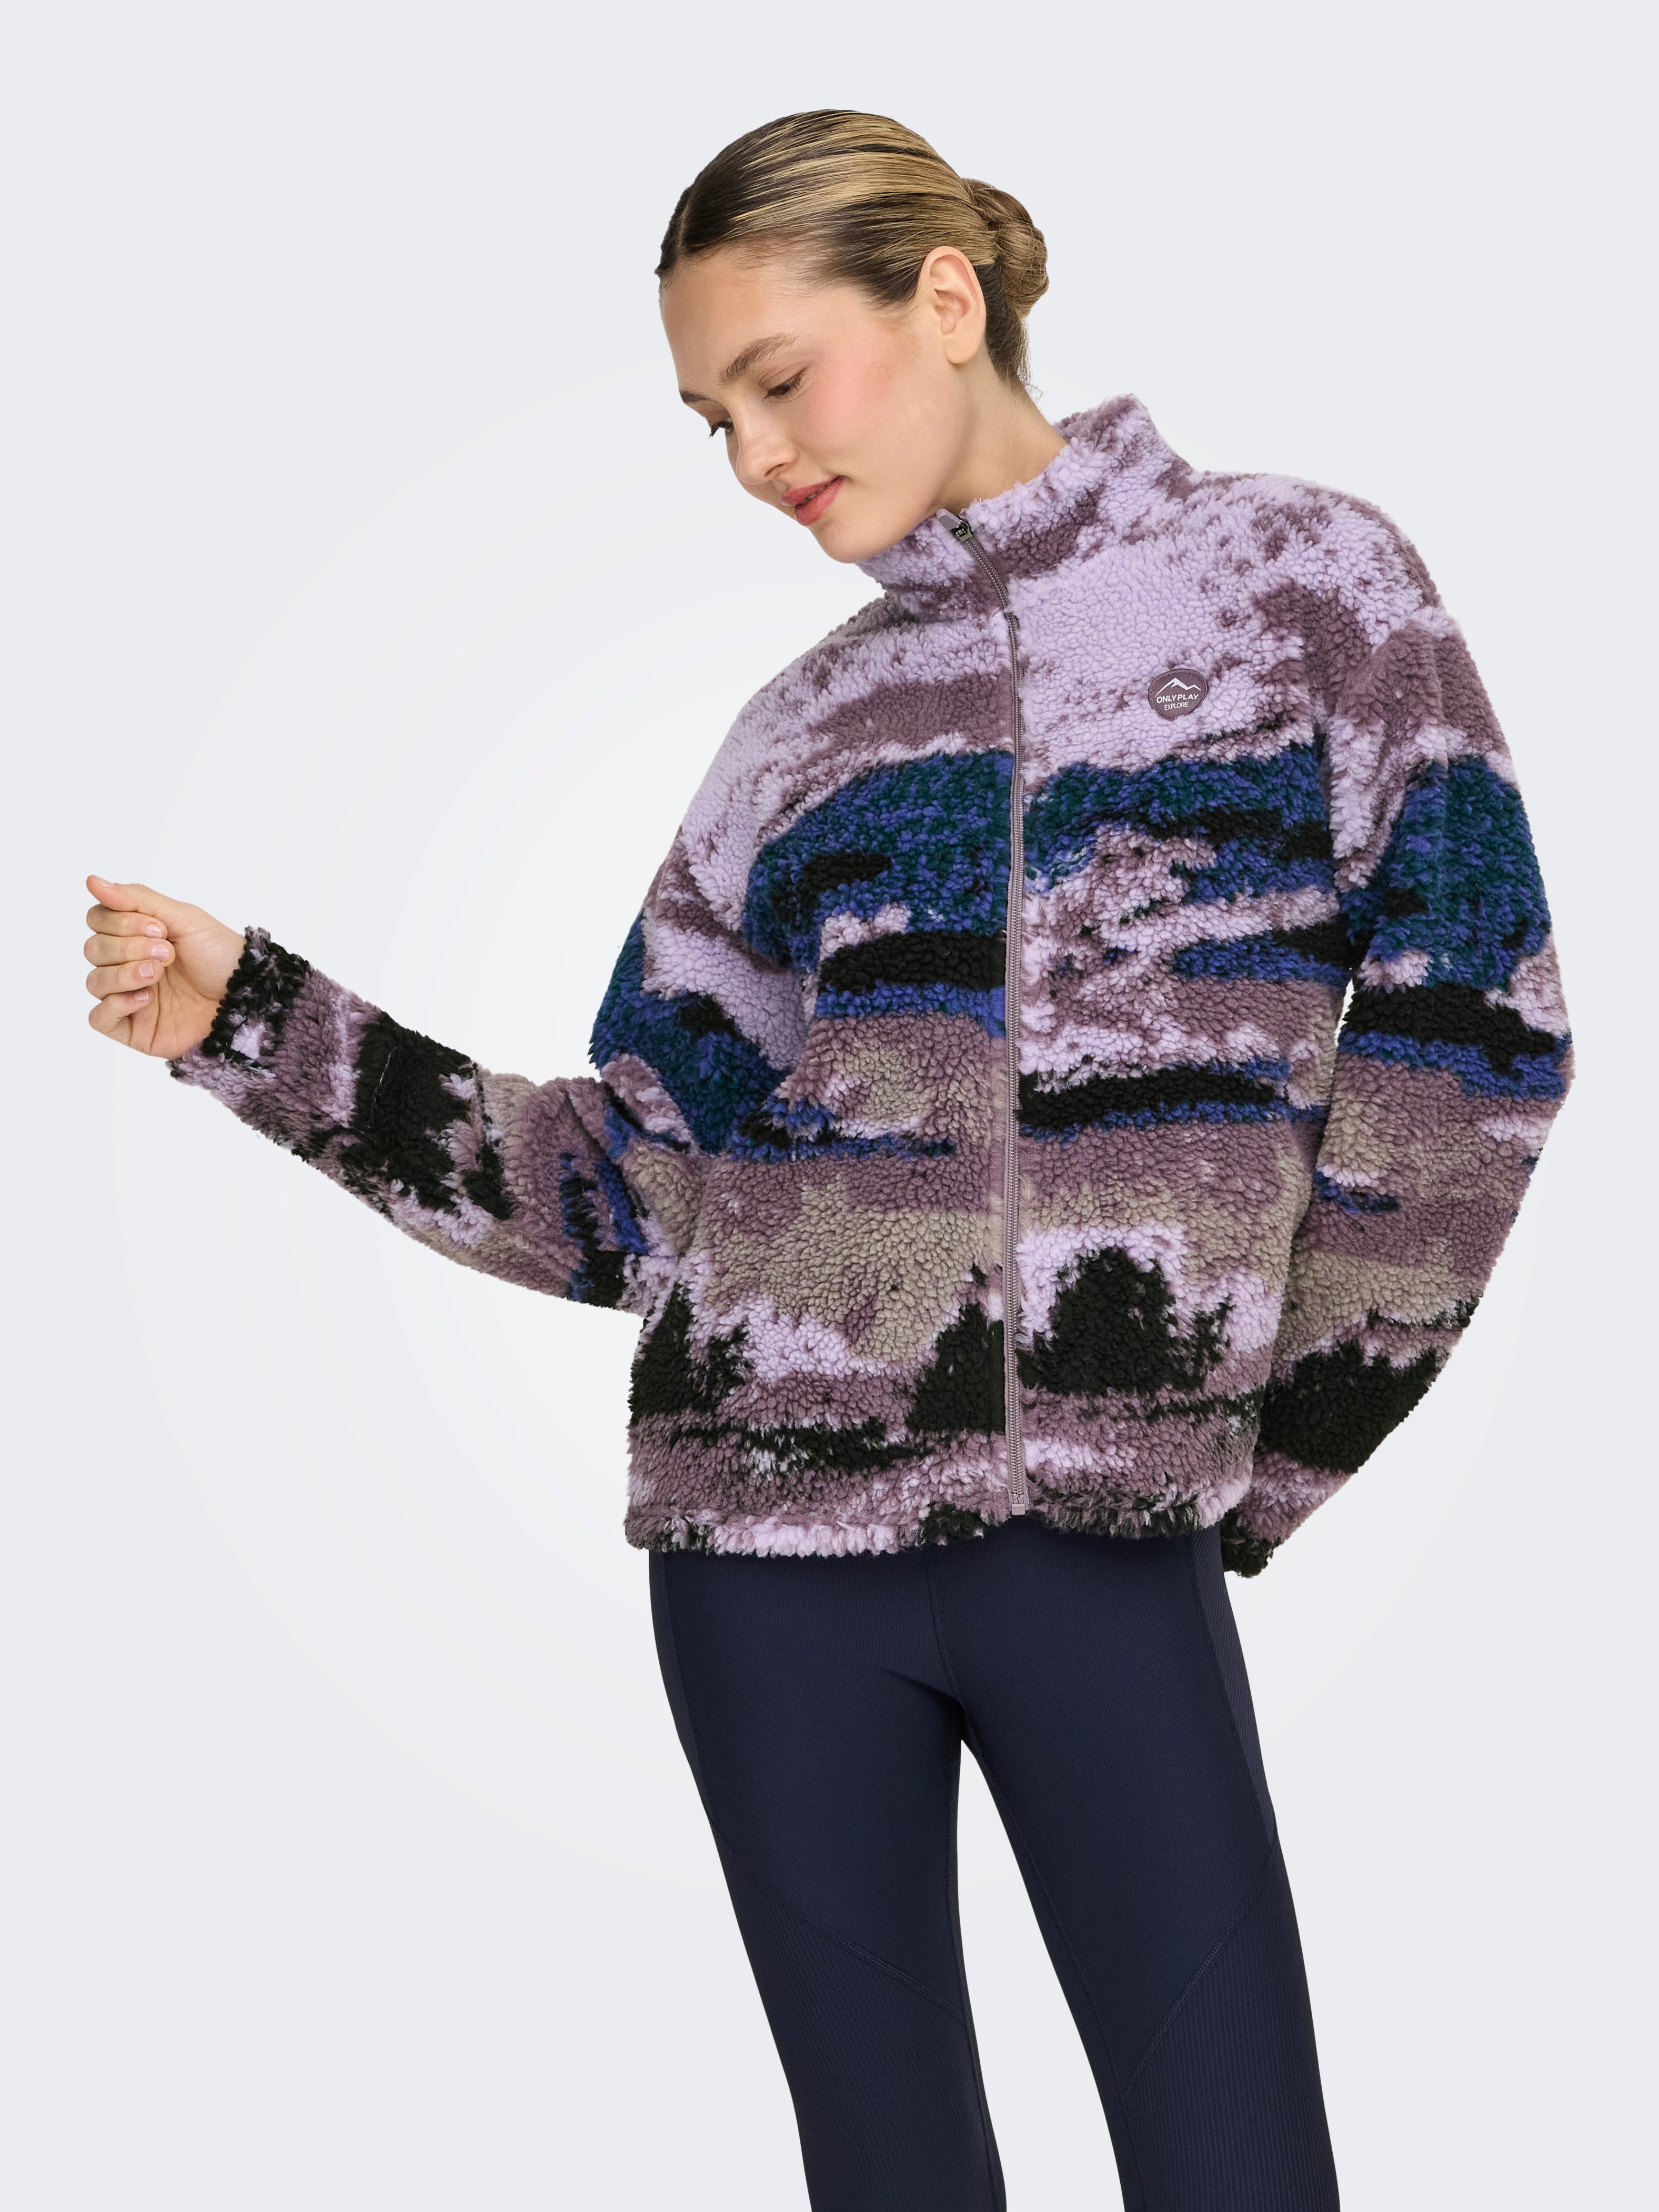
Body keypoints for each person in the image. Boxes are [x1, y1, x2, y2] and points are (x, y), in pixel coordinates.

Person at [82, 110, 1572, 2212]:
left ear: (947, 299)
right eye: (714, 420)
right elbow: (621, 1180)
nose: (756, 456)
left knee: (1239, 2166)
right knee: (888, 2177)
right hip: (757, 1557)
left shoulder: (1306, 585)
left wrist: (1266, 1441)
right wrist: (254, 1021)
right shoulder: (801, 734)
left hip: (1105, 1549)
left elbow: (1480, 1032)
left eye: (777, 380)